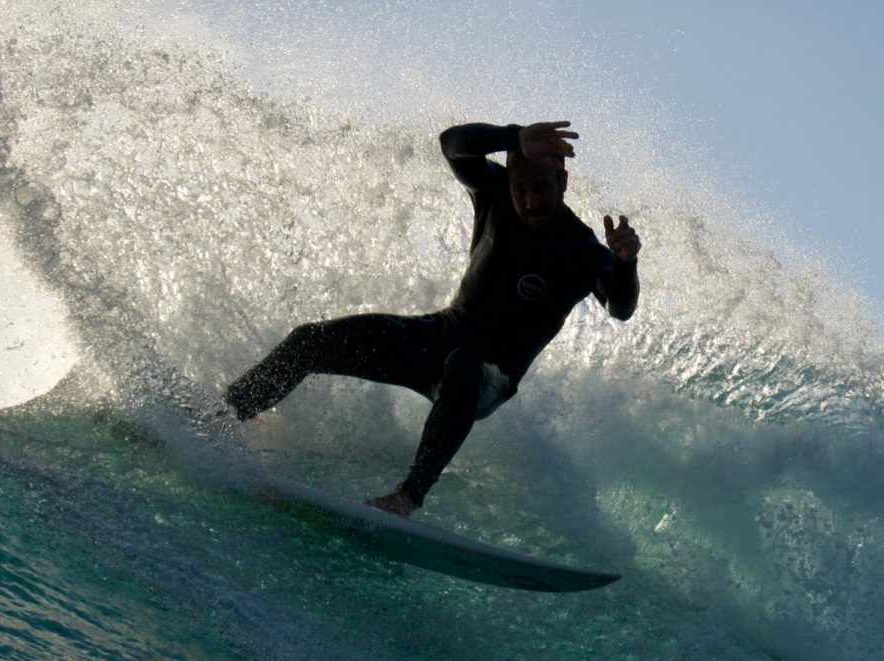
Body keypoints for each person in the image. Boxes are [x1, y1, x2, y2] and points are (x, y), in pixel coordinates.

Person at [225, 120, 641, 517]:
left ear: (563, 184)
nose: (530, 201)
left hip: (488, 377)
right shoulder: (496, 193)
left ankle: (406, 499)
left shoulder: (583, 250)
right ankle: (223, 417)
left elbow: (620, 308)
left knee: (463, 362)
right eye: (521, 190)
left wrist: (625, 262)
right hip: (438, 335)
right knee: (309, 341)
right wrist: (512, 137)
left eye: (540, 190)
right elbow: (452, 144)